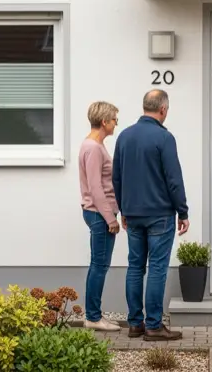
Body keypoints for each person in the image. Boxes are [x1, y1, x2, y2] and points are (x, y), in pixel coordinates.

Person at [112, 89, 189, 341]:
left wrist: (123, 209)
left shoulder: (124, 137)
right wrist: (183, 211)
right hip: (159, 214)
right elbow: (174, 179)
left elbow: (117, 178)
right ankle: (154, 326)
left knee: (135, 266)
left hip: (133, 214)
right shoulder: (164, 138)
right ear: (163, 109)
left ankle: (135, 324)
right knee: (157, 268)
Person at [78, 101, 122, 332]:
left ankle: (94, 315)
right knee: (99, 265)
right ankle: (93, 317)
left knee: (98, 264)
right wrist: (111, 219)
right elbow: (96, 187)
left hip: (97, 213)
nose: (116, 123)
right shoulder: (94, 147)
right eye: (114, 119)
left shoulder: (92, 145)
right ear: (104, 122)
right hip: (99, 214)